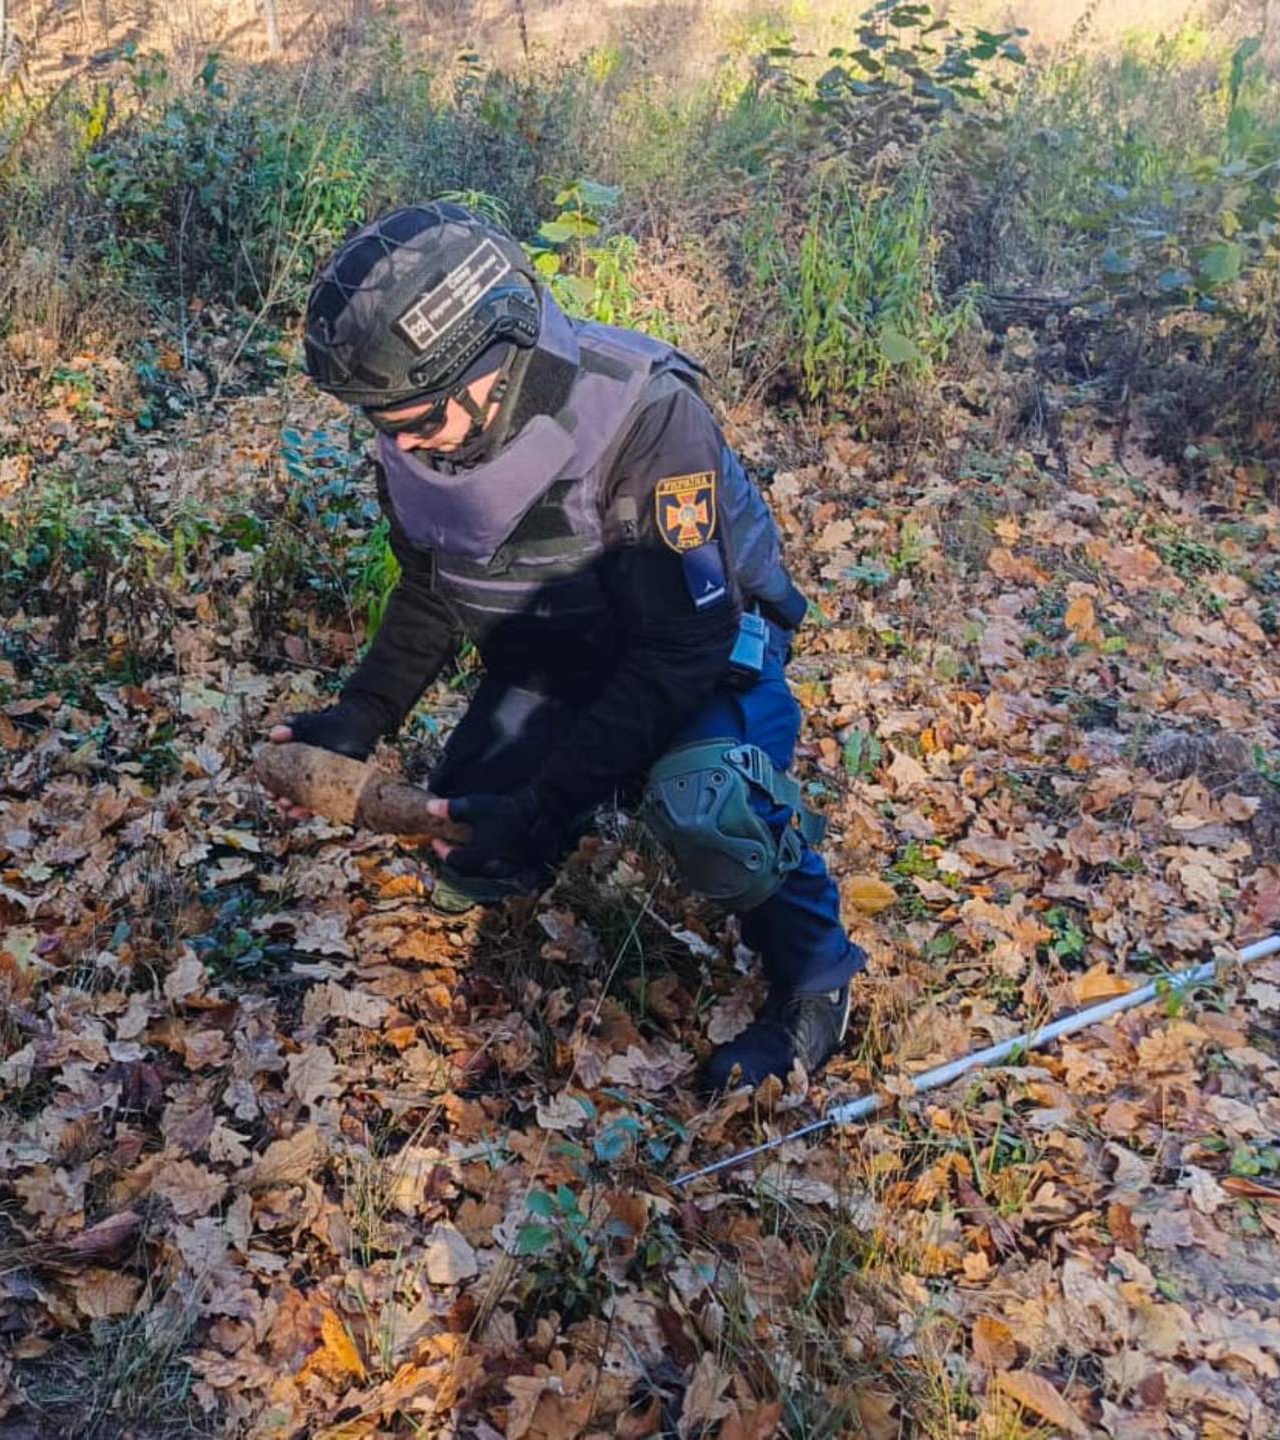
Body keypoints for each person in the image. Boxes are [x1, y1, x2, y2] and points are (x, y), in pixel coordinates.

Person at [269, 202, 867, 1091]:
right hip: (553, 650)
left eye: (414, 418)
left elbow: (682, 648)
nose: (397, 442)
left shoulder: (645, 417)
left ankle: (820, 981)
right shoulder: (418, 434)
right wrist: (362, 712)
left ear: (491, 364)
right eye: (379, 421)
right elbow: (433, 586)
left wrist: (548, 800)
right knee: (473, 853)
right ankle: (583, 802)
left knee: (710, 806)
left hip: (701, 650)